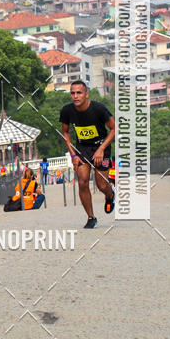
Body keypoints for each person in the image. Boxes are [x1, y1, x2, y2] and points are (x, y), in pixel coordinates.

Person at [59, 80, 116, 228]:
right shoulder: (67, 111)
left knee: (101, 185)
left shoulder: (99, 109)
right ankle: (91, 217)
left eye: (79, 93)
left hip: (100, 147)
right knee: (83, 181)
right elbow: (65, 132)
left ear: (86, 94)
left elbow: (114, 129)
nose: (75, 96)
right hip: (81, 148)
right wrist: (73, 155)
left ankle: (110, 195)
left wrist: (101, 149)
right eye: (73, 93)